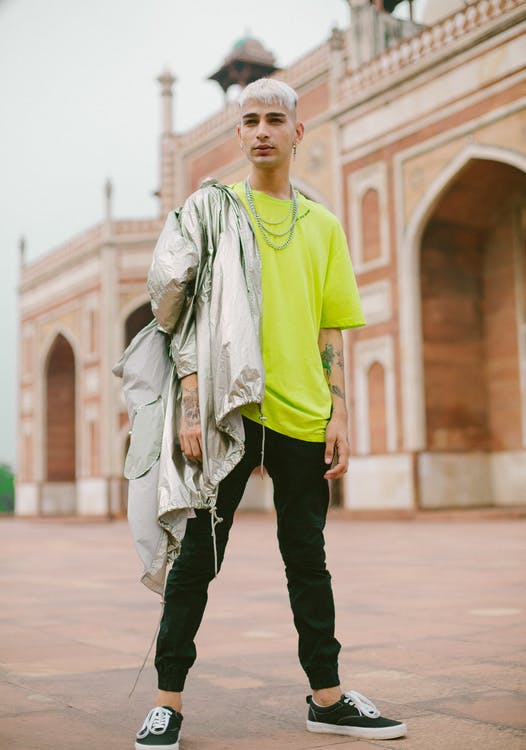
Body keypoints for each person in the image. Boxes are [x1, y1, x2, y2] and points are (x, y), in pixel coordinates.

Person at [134, 78, 407, 749]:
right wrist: (192, 407)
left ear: (297, 132)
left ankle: (328, 697)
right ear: (239, 135)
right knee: (200, 557)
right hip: (231, 408)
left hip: (301, 415)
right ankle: (167, 703)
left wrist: (337, 409)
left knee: (307, 558)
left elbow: (329, 327)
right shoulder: (215, 211)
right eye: (250, 120)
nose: (261, 131)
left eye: (274, 119)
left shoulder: (324, 226)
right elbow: (187, 314)